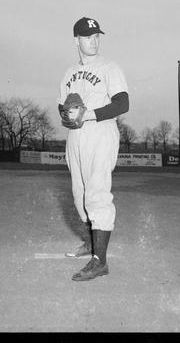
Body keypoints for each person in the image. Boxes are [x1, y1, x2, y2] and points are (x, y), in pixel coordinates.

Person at [58, 16, 129, 281]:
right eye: (88, 37)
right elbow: (61, 105)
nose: (94, 41)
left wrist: (87, 114)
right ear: (76, 40)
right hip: (76, 136)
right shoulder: (68, 73)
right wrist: (67, 116)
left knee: (97, 194)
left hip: (100, 132)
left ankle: (100, 261)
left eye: (97, 36)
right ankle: (90, 244)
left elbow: (122, 104)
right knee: (80, 194)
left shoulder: (109, 67)